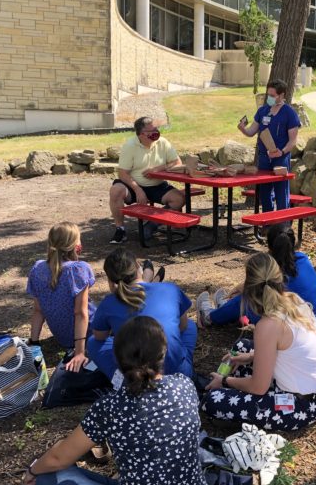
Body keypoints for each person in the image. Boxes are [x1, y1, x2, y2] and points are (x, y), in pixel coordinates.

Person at [25, 317, 207, 485]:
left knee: (47, 475)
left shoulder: (111, 407)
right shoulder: (184, 385)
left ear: (118, 361)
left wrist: (34, 471)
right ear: (162, 354)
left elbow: (59, 458)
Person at [201, 253, 316, 431]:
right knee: (242, 348)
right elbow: (288, 352)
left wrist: (225, 381)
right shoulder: (293, 299)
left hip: (298, 405)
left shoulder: (268, 325)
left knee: (213, 400)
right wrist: (250, 357)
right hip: (311, 393)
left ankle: (219, 383)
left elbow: (258, 387)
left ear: (248, 287)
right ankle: (225, 381)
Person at [87, 249, 197, 381]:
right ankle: (184, 366)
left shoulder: (109, 302)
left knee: (93, 342)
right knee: (190, 325)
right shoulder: (170, 289)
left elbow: (99, 336)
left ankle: (121, 381)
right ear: (138, 267)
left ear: (111, 280)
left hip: (136, 379)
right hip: (178, 375)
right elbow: (183, 325)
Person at [197, 223, 316, 329]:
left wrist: (247, 290)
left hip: (293, 329)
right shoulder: (303, 259)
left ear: (269, 246)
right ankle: (225, 308)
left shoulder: (274, 275)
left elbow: (253, 295)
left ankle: (210, 317)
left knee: (246, 301)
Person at [27, 222, 95, 372]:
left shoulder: (37, 269)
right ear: (75, 245)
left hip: (63, 337)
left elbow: (38, 311)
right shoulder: (78, 270)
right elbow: (81, 313)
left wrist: (34, 343)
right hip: (89, 333)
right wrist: (79, 352)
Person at [109, 116, 185, 244]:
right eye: (152, 131)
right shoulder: (130, 145)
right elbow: (122, 173)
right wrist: (138, 189)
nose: (156, 132)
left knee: (180, 199)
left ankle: (152, 225)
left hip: (158, 185)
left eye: (156, 129)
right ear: (141, 134)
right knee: (116, 190)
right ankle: (120, 230)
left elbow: (177, 162)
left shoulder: (163, 142)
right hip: (134, 185)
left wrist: (159, 169)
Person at [237, 79, 301, 212]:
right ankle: (267, 224)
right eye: (268, 95)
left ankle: (283, 225)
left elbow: (292, 141)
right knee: (265, 192)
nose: (269, 98)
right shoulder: (262, 111)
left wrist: (282, 152)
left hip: (280, 158)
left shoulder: (289, 113)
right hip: (264, 158)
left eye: (273, 96)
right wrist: (242, 128)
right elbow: (251, 132)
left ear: (282, 95)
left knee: (281, 191)